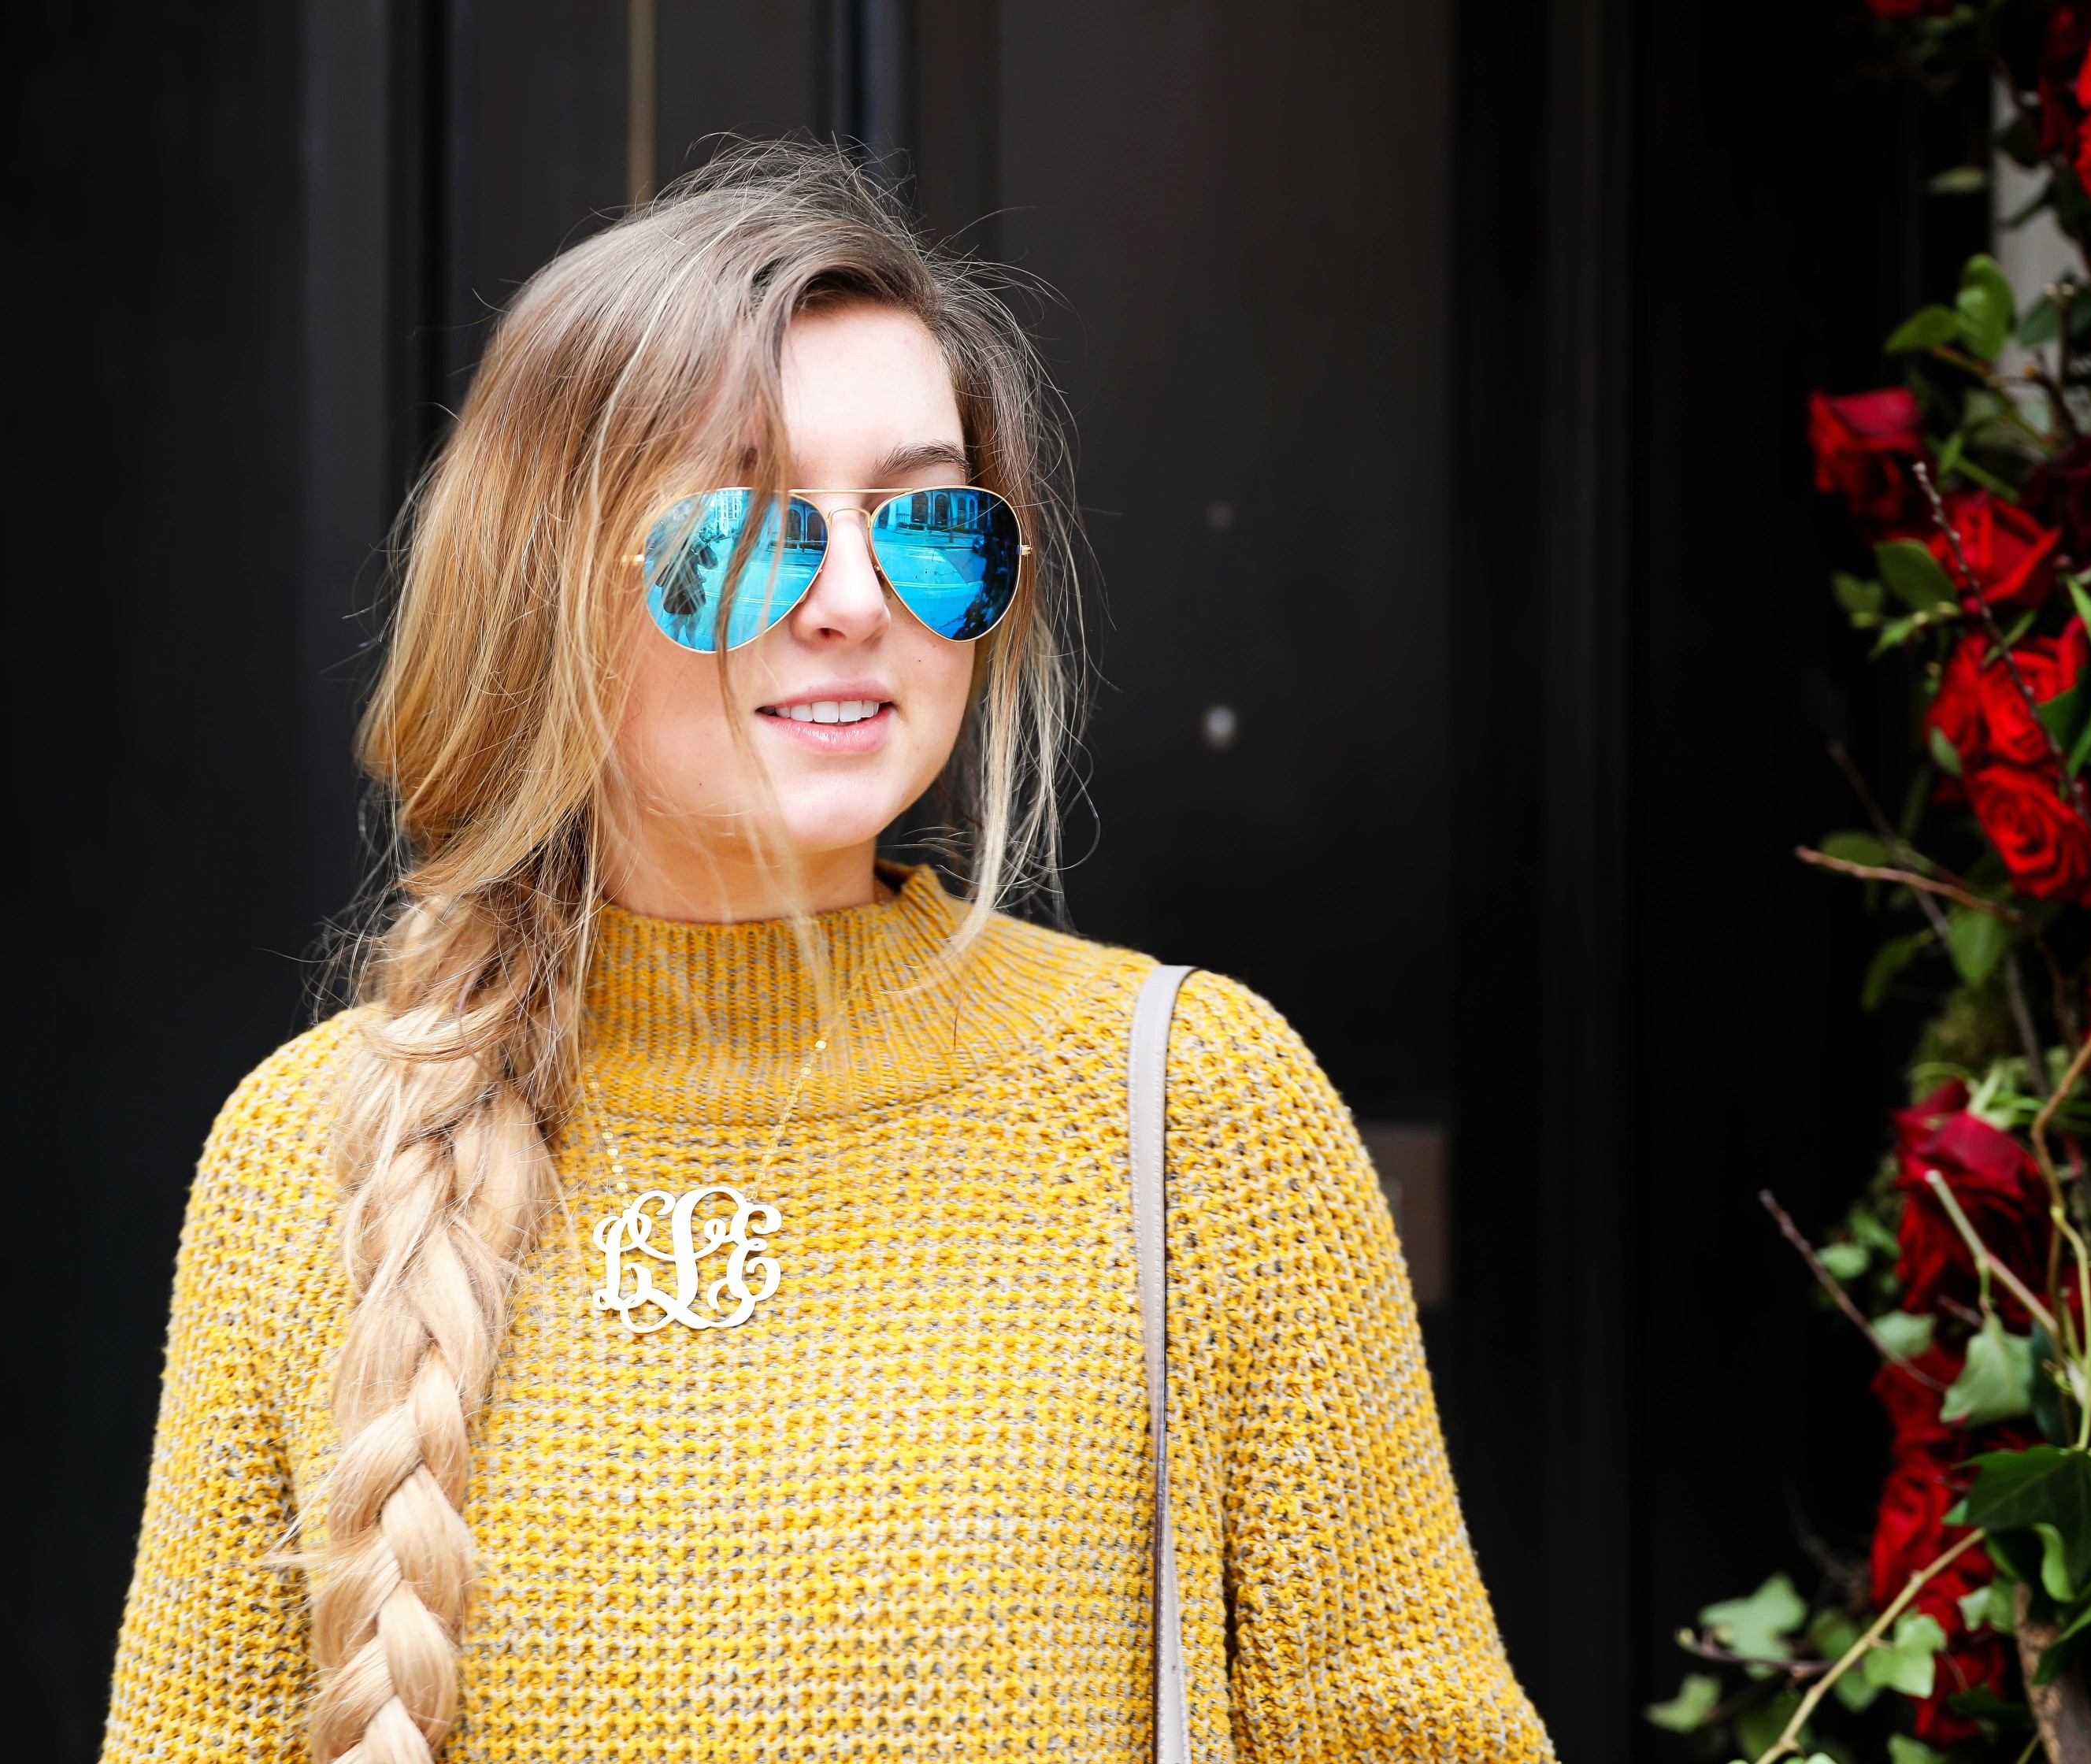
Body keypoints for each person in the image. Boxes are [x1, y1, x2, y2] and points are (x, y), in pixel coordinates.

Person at [100, 142, 1550, 1764]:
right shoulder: (311, 1156)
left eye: (926, 521)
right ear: (543, 587)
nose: (859, 596)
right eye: (751, 528)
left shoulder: (1196, 1111)